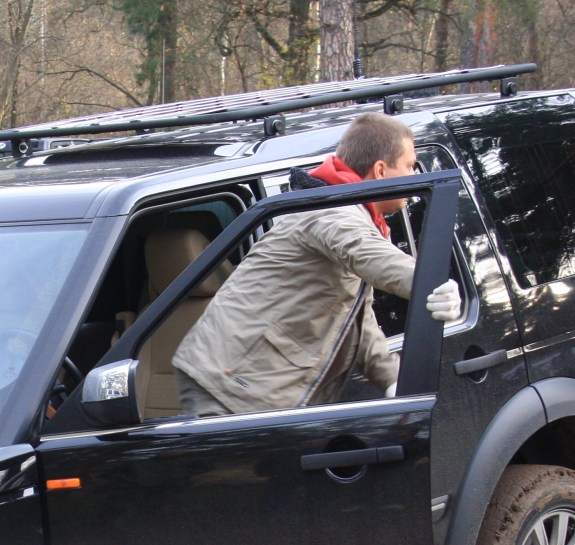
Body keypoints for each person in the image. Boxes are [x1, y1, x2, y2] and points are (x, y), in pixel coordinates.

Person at [171, 113, 461, 417]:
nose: (414, 175)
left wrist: (390, 377)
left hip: (247, 383)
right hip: (234, 387)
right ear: (380, 170)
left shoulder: (341, 206)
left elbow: (357, 317)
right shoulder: (330, 210)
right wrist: (429, 282)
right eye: (410, 166)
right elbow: (367, 252)